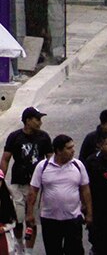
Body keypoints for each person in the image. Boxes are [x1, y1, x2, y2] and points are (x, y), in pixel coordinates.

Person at [26, 135, 91, 255]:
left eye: (73, 147)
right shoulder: (43, 166)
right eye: (69, 148)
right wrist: (30, 213)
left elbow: (85, 189)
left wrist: (89, 213)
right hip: (50, 219)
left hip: (73, 219)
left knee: (75, 251)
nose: (73, 151)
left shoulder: (78, 165)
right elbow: (33, 191)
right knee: (53, 251)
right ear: (59, 151)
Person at [2, 107, 52, 253]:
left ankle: (29, 251)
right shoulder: (15, 137)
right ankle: (19, 246)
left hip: (35, 186)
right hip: (17, 184)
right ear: (28, 121)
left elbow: (50, 158)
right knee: (18, 218)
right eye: (37, 119)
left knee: (31, 220)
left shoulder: (44, 137)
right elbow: (5, 159)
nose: (40, 123)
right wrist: (1, 179)